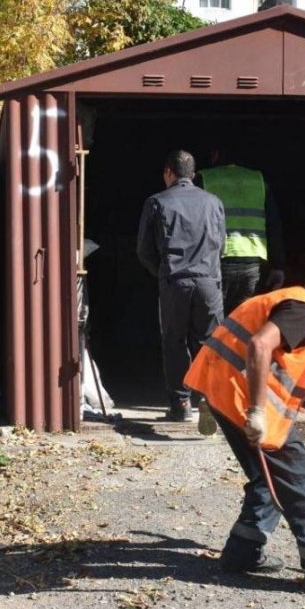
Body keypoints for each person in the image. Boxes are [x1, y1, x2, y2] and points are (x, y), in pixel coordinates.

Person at [184, 244, 305, 594]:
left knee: (265, 480)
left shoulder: (291, 303)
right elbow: (258, 345)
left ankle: (243, 553)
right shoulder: (303, 311)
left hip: (223, 395)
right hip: (244, 405)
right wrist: (256, 412)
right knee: (300, 479)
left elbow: (303, 383)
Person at [137, 149, 225, 422]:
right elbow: (221, 244)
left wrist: (162, 273)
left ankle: (182, 405)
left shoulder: (156, 202)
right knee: (209, 343)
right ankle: (212, 399)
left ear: (168, 173)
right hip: (208, 282)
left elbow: (143, 250)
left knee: (174, 342)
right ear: (194, 175)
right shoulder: (214, 202)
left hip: (175, 282)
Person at [199, 150, 285, 314]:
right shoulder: (258, 180)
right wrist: (278, 265)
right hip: (253, 262)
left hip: (216, 261)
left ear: (215, 155)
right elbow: (274, 224)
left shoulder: (204, 179)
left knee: (213, 323)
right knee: (243, 321)